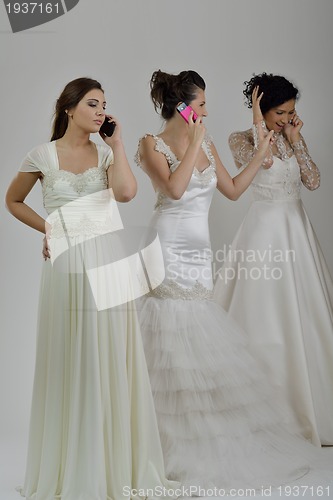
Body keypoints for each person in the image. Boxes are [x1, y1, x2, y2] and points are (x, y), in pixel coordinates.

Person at [135, 69, 322, 494]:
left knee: (199, 337)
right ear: (182, 106)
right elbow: (177, 190)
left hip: (198, 254)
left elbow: (234, 190)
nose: (206, 110)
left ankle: (201, 434)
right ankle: (160, 443)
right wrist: (196, 143)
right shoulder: (151, 144)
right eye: (200, 104)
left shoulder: (210, 142)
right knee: (168, 337)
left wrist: (262, 150)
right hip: (166, 247)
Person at [5, 77, 180, 500]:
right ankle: (77, 465)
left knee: (110, 357)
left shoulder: (105, 155)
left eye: (104, 104)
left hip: (106, 261)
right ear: (69, 108)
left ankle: (114, 464)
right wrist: (50, 227)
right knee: (74, 356)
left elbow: (126, 192)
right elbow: (12, 201)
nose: (101, 110)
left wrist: (117, 145)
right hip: (65, 268)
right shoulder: (42, 155)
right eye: (92, 103)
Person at [213, 72, 333, 447]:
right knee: (263, 314)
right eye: (279, 112)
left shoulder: (291, 137)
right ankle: (258, 413)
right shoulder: (240, 139)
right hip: (264, 233)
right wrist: (256, 125)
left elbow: (312, 182)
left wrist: (297, 143)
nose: (285, 119)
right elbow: (259, 164)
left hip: (296, 230)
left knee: (306, 315)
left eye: (291, 112)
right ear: (261, 109)